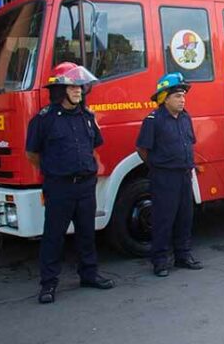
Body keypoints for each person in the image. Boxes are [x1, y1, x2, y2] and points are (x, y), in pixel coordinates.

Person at [25, 62, 115, 304]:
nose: (79, 91)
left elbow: (94, 145)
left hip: (85, 186)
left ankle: (89, 274)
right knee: (54, 236)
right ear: (59, 90)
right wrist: (54, 171)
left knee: (87, 234)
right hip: (59, 187)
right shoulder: (44, 119)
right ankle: (48, 284)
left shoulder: (87, 116)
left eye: (81, 87)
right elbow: (32, 154)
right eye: (73, 87)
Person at [136, 72, 202, 277]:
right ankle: (160, 261)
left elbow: (189, 143)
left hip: (184, 174)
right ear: (164, 98)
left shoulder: (185, 117)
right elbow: (142, 149)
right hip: (164, 177)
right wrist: (159, 167)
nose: (182, 100)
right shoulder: (153, 120)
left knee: (185, 217)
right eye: (177, 96)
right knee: (163, 220)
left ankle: (183, 255)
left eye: (183, 96)